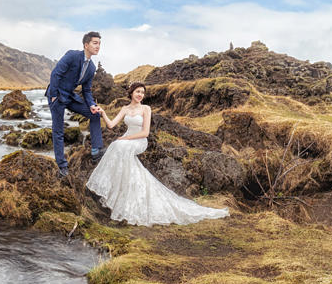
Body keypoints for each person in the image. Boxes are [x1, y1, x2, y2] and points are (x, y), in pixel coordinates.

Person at [87, 82, 230, 226]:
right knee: (116, 146)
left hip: (139, 141)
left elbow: (145, 132)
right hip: (127, 140)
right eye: (137, 91)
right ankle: (121, 190)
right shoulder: (125, 108)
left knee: (119, 145)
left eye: (142, 92)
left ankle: (120, 190)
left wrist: (125, 138)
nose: (140, 95)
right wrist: (103, 113)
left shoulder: (146, 108)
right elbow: (111, 125)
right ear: (131, 93)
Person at [46, 31, 104, 177]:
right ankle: (62, 166)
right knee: (58, 131)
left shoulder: (91, 68)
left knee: (95, 114)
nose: (98, 46)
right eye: (95, 43)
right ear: (86, 44)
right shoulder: (72, 55)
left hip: (71, 96)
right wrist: (53, 95)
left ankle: (96, 150)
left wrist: (91, 104)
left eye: (99, 44)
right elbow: (55, 74)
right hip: (57, 96)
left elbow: (86, 90)